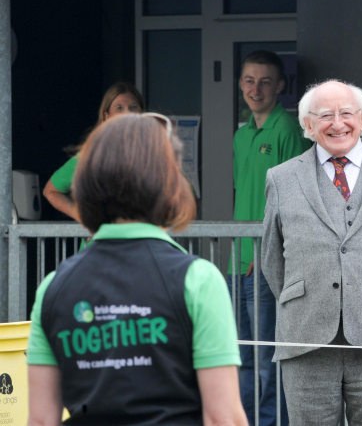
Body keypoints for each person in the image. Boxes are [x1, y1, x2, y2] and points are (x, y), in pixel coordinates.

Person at [27, 113, 248, 425]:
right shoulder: (198, 280)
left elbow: (40, 420)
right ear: (169, 182)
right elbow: (224, 418)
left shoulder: (52, 287)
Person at [262, 79, 362, 425]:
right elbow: (272, 260)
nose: (338, 124)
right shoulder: (280, 179)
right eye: (325, 115)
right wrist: (305, 298)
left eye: (347, 113)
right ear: (308, 124)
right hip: (305, 339)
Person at [230, 50, 308, 425]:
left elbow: (296, 201)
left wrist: (268, 255)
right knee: (242, 355)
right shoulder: (241, 135)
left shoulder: (288, 130)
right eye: (249, 80)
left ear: (280, 86)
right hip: (236, 262)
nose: (255, 89)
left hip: (264, 263)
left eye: (264, 82)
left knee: (266, 356)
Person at [43, 82, 145, 221]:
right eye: (119, 108)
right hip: (101, 242)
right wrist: (84, 218)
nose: (127, 113)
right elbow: (51, 191)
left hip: (140, 241)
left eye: (133, 107)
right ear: (107, 116)